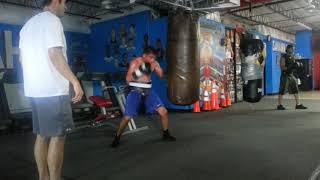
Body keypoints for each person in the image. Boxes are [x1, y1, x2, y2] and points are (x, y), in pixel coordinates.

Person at [19, 0, 84, 180]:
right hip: (53, 91)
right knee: (57, 137)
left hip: (35, 90)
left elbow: (22, 62)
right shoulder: (52, 20)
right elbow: (55, 54)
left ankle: (43, 178)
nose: (66, 7)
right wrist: (74, 81)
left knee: (42, 136)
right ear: (56, 1)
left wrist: (36, 80)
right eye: (65, 3)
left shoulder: (27, 27)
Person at [111, 46, 176, 148]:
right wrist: (140, 71)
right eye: (150, 57)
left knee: (163, 112)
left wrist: (171, 71)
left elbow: (161, 75)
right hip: (135, 90)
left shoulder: (154, 63)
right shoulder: (135, 62)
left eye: (154, 58)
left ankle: (166, 133)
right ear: (144, 55)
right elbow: (128, 79)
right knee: (127, 116)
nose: (152, 60)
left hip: (149, 91)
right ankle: (117, 137)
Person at [277, 45, 307, 110]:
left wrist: (298, 65)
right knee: (282, 90)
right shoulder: (283, 57)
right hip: (285, 75)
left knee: (296, 89)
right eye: (291, 49)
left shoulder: (292, 57)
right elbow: (282, 67)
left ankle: (298, 105)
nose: (292, 50)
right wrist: (291, 67)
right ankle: (279, 105)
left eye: (293, 49)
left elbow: (294, 66)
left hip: (291, 75)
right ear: (287, 49)